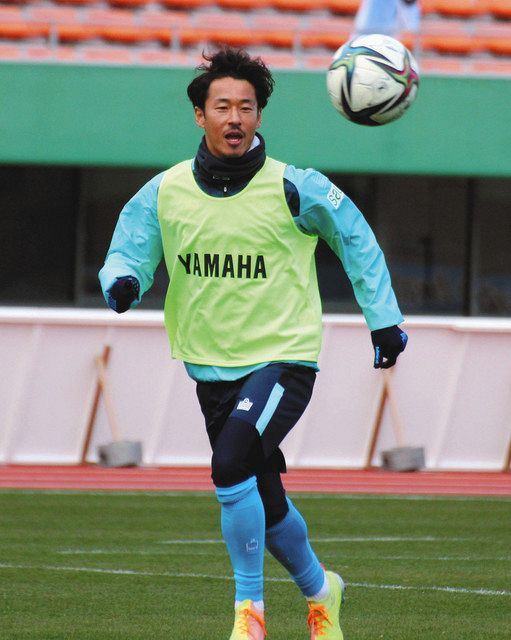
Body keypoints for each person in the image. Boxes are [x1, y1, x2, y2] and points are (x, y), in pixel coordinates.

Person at [99, 47, 407, 640]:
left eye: (246, 106)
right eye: (222, 107)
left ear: (259, 116)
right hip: (209, 367)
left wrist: (384, 319)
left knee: (230, 464)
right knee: (262, 496)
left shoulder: (296, 187)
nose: (234, 117)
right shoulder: (164, 191)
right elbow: (129, 247)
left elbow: (356, 239)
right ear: (200, 115)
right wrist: (123, 280)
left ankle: (250, 612)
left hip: (282, 359)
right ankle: (322, 592)